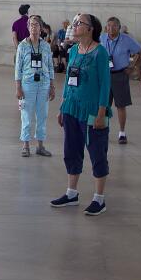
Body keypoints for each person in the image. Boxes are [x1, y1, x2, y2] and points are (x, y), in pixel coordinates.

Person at [50, 13, 111, 215]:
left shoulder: (100, 52)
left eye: (79, 23)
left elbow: (105, 85)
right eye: (75, 23)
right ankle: (71, 193)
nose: (74, 26)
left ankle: (99, 198)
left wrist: (102, 112)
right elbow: (69, 80)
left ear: (90, 28)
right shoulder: (74, 50)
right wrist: (62, 106)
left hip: (93, 110)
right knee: (71, 150)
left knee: (97, 152)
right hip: (72, 108)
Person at [15, 14, 56, 157]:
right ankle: (26, 145)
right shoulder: (22, 45)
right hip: (28, 84)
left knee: (42, 115)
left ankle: (40, 145)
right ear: (28, 27)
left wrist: (52, 85)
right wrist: (18, 87)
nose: (34, 27)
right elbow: (18, 67)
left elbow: (50, 66)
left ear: (41, 28)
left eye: (36, 24)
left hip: (43, 84)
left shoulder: (45, 46)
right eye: (31, 24)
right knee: (26, 115)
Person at [100, 17, 141, 145]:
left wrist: (133, 66)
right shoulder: (102, 38)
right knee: (104, 105)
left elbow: (140, 51)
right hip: (105, 75)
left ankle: (122, 133)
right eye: (108, 26)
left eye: (114, 26)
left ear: (119, 27)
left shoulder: (126, 39)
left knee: (120, 105)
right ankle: (103, 131)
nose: (111, 29)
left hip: (120, 75)